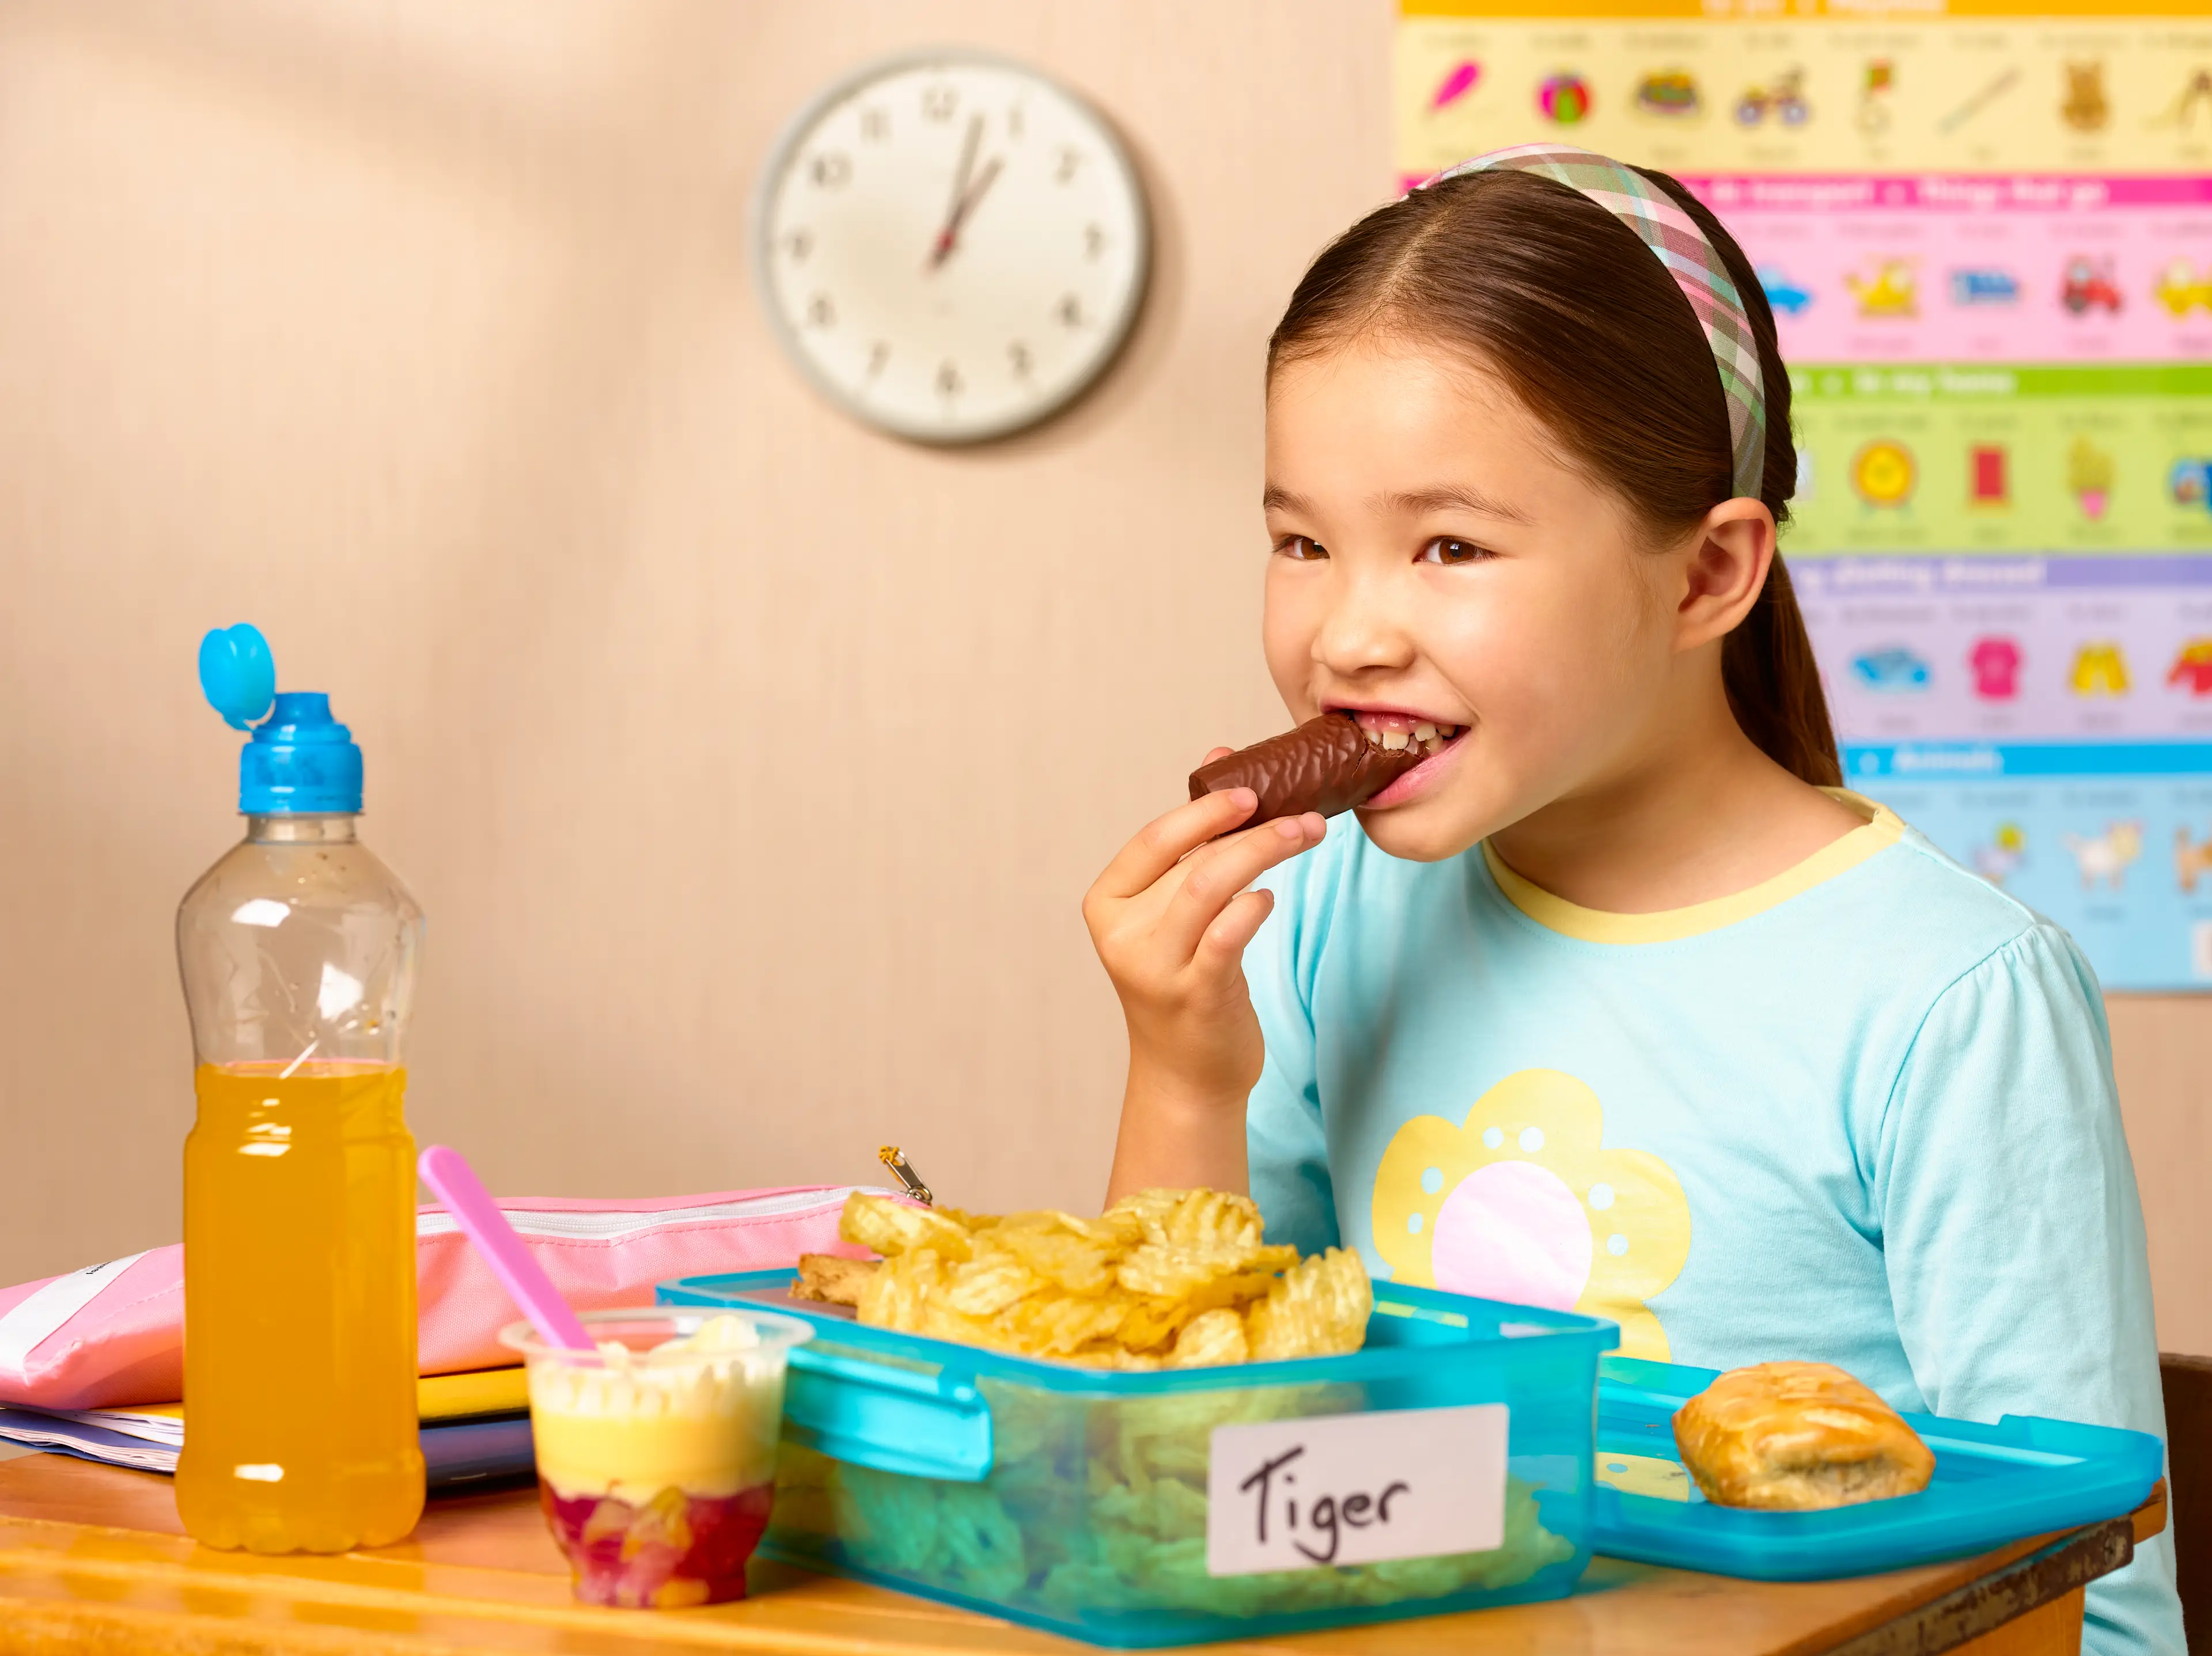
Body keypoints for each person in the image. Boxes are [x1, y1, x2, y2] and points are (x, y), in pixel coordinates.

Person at [1082, 146, 2180, 1654]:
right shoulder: (1329, 917)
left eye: (1451, 546)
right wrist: (1183, 1067)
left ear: (1706, 576)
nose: (1347, 634)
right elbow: (1166, 1489)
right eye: (1301, 542)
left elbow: (2095, 1605)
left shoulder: (1948, 999)